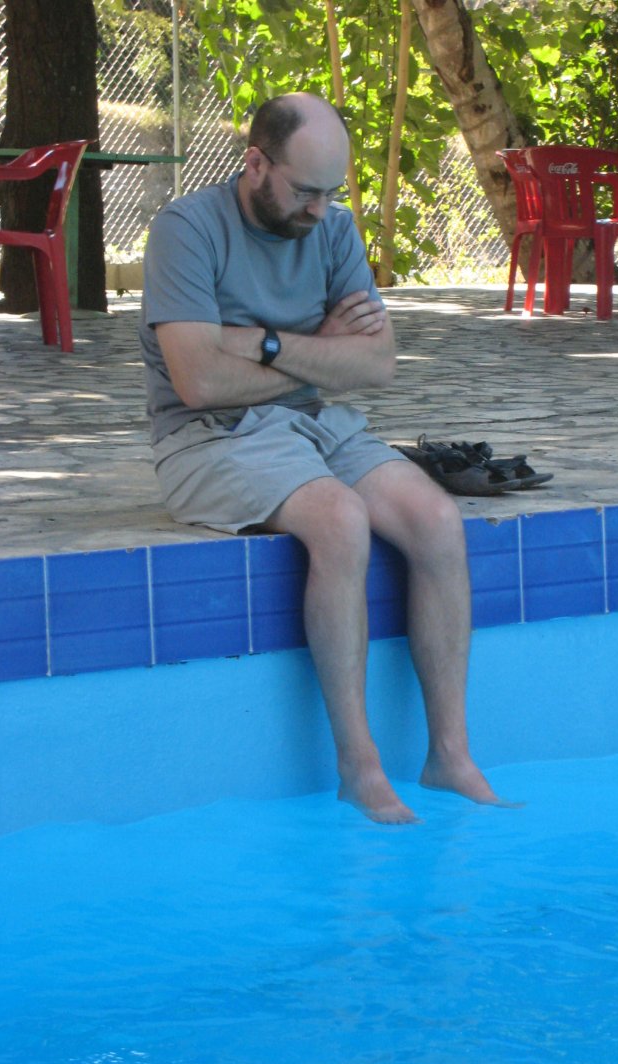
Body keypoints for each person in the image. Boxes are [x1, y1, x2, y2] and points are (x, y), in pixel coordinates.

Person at [139, 92, 505, 824]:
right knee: (339, 519)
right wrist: (320, 349)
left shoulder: (332, 231)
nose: (318, 210)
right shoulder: (187, 230)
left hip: (319, 425)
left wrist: (262, 342)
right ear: (254, 164)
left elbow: (377, 365)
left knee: (436, 519)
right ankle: (359, 769)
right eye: (304, 191)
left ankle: (449, 757)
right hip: (207, 438)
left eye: (331, 193)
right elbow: (199, 382)